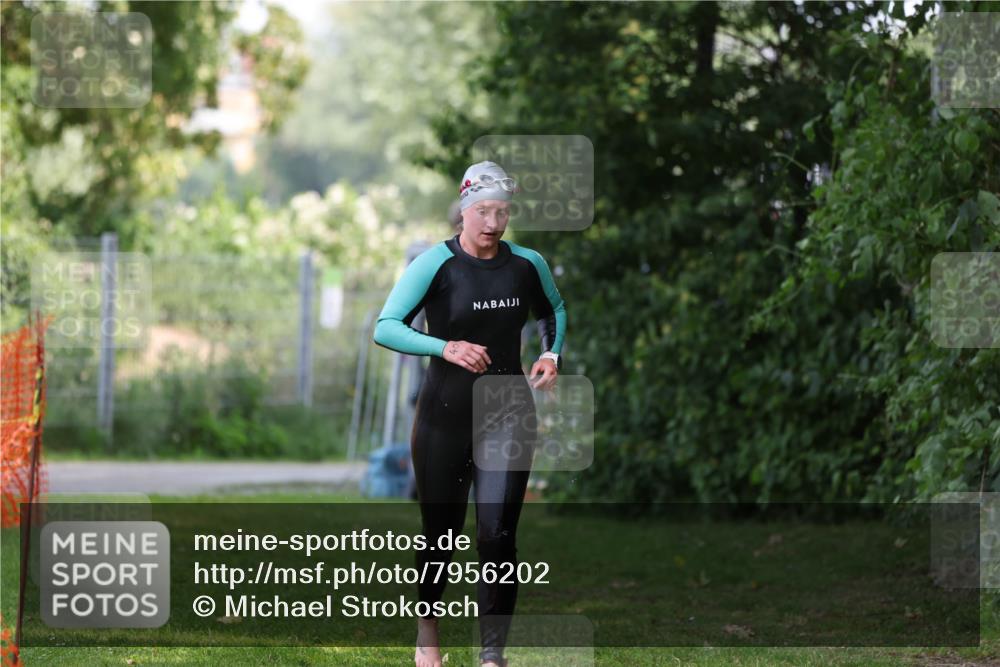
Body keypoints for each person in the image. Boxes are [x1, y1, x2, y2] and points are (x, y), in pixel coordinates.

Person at [373, 160, 567, 667]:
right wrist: (444, 347)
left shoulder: (527, 264)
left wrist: (551, 354)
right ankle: (428, 633)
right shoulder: (435, 264)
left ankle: (491, 655)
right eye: (484, 211)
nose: (493, 222)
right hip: (443, 416)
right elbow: (386, 326)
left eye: (502, 212)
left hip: (508, 413)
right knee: (441, 535)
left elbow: (552, 310)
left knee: (497, 533)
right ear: (465, 209)